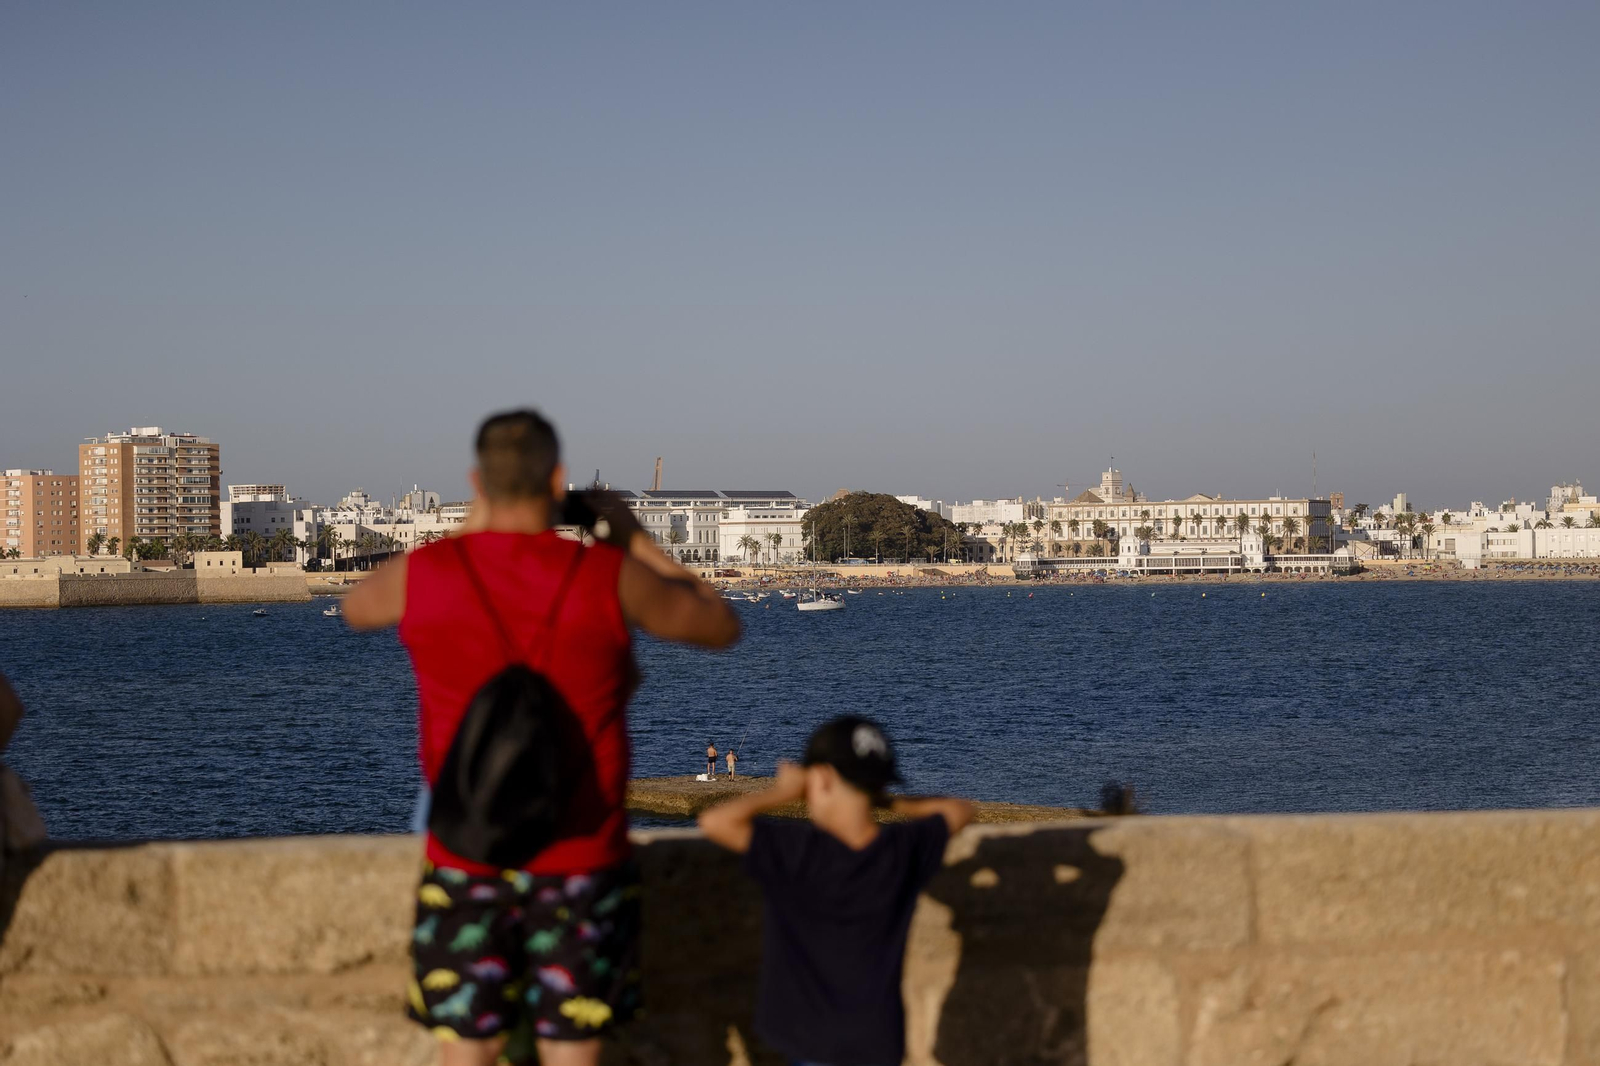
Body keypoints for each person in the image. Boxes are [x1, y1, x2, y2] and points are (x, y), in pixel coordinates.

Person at [345, 409, 741, 1066]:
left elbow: (357, 606)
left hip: (465, 854)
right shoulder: (609, 575)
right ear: (559, 479)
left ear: (476, 482)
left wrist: (471, 527)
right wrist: (633, 536)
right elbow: (721, 624)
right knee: (574, 1054)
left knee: (466, 1053)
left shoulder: (431, 574)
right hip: (581, 858)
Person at [697, 716, 974, 1066]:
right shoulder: (902, 850)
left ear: (822, 778)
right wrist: (882, 800)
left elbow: (715, 822)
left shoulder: (798, 851)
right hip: (879, 1039)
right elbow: (959, 810)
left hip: (812, 1040)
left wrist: (784, 792)